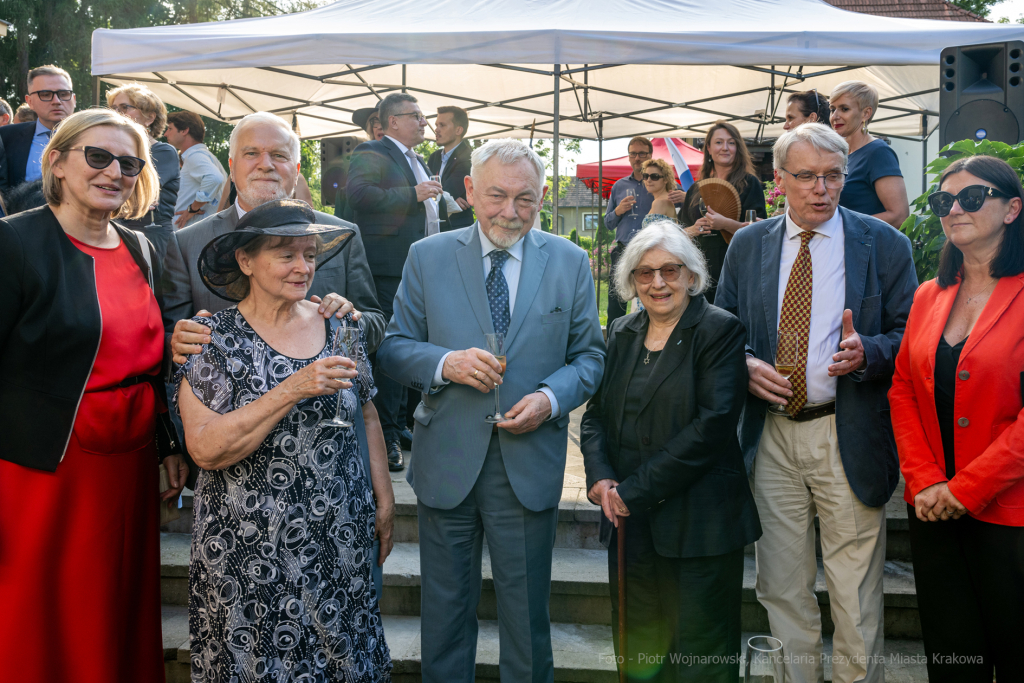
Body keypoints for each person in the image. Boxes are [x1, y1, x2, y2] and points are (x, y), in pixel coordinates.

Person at [376, 138, 605, 683]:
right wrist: (445, 362)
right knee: (445, 617)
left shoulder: (570, 262)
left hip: (527, 465)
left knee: (528, 622)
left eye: (525, 199)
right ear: (470, 191)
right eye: (497, 195)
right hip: (447, 462)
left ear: (543, 196)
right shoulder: (427, 256)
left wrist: (551, 398)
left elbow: (590, 357)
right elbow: (393, 346)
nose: (510, 211)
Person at [715, 123, 918, 683]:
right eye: (805, 176)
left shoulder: (885, 244)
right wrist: (746, 363)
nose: (820, 189)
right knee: (781, 586)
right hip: (771, 435)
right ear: (779, 180)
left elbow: (912, 336)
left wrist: (870, 351)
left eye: (833, 176)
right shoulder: (750, 244)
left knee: (856, 592)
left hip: (845, 430)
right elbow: (724, 331)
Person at [0, 108, 187, 683]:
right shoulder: (13, 241)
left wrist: (167, 445)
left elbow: (151, 365)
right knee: (44, 610)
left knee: (117, 605)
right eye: (98, 156)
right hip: (45, 464)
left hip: (128, 465)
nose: (114, 172)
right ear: (56, 160)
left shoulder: (141, 249)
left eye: (129, 163)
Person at [175, 199, 393, 682]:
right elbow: (207, 449)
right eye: (285, 254)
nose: (303, 267)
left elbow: (369, 412)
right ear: (246, 261)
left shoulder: (340, 325)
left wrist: (384, 497)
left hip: (339, 538)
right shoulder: (213, 338)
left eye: (310, 254)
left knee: (343, 660)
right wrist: (293, 387)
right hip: (247, 549)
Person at [581, 220, 760, 682]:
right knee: (640, 651)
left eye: (670, 270)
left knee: (701, 655)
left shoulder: (719, 330)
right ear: (631, 281)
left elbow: (713, 426)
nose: (658, 283)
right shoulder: (621, 330)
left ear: (692, 275)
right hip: (631, 526)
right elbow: (596, 415)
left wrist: (633, 492)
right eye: (645, 273)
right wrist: (601, 477)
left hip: (698, 524)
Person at [889, 154, 1024, 683]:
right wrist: (924, 480)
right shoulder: (929, 294)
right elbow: (902, 387)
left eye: (973, 198)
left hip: (1009, 513)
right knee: (951, 656)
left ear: (1012, 209)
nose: (955, 209)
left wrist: (967, 488)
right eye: (946, 201)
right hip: (933, 509)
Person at [346, 92, 443, 472]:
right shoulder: (372, 152)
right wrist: (413, 193)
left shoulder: (415, 158)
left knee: (413, 343)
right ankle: (384, 435)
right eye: (416, 116)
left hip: (418, 267)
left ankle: (401, 422)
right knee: (390, 346)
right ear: (392, 122)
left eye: (424, 115)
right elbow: (360, 196)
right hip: (389, 269)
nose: (424, 122)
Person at [681, 121, 767, 303]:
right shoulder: (696, 189)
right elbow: (679, 233)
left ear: (738, 148)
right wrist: (694, 229)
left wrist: (725, 224)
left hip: (736, 267)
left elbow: (759, 232)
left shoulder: (750, 184)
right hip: (700, 269)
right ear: (709, 149)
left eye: (731, 142)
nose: (725, 148)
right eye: (719, 142)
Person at [605, 136, 686, 325]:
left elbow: (686, 206)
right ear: (629, 157)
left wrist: (686, 196)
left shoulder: (660, 183)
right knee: (615, 303)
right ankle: (614, 345)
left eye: (642, 153)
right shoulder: (619, 186)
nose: (637, 158)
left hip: (653, 255)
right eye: (633, 153)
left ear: (650, 155)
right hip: (624, 250)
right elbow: (608, 223)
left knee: (651, 300)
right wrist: (618, 211)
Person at [107, 83, 181, 259]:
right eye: (114, 108)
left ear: (149, 118)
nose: (117, 112)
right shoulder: (109, 153)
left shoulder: (163, 152)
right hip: (112, 231)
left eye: (125, 107)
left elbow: (141, 192)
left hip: (148, 237)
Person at [830, 81, 910, 229]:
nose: (835, 116)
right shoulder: (841, 155)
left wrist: (841, 226)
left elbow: (899, 215)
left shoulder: (878, 152)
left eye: (844, 109)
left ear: (866, 113)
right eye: (832, 109)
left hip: (868, 248)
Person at [0, 65, 76, 192]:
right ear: (29, 101)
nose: (56, 101)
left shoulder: (94, 138)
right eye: (46, 94)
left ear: (73, 99)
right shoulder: (7, 137)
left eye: (63, 94)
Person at [165, 110, 226, 229]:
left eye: (169, 128)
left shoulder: (195, 155)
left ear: (184, 130)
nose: (165, 134)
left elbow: (215, 178)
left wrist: (192, 209)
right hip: (195, 232)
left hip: (189, 234)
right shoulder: (205, 156)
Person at [428, 105, 475, 230]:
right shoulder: (434, 157)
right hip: (435, 226)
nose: (436, 129)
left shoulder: (469, 157)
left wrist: (446, 199)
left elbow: (446, 190)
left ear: (458, 130)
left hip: (457, 228)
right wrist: (451, 202)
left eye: (442, 125)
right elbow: (427, 190)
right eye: (436, 125)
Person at [640, 158, 679, 228]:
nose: (648, 180)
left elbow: (653, 235)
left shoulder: (660, 202)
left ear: (666, 179)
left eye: (654, 177)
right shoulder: (667, 199)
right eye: (646, 176)